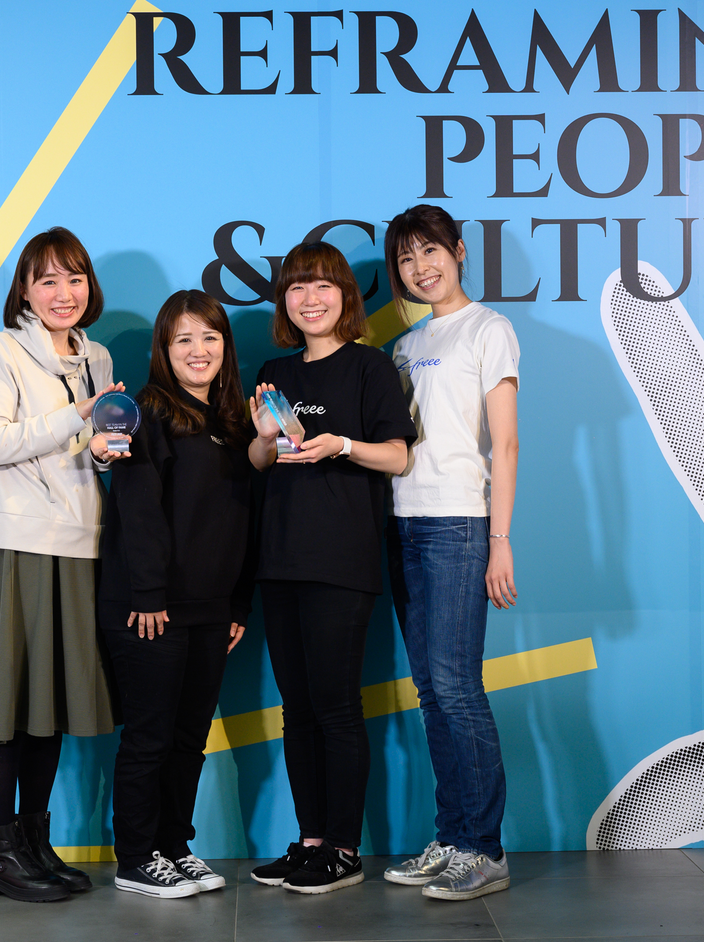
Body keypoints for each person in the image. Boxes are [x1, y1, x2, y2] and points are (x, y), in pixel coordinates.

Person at [247, 242, 417, 894]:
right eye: (297, 287)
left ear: (345, 295)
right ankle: (312, 840)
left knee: (336, 706)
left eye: (322, 286)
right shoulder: (274, 371)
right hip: (279, 557)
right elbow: (258, 462)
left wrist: (341, 445)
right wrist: (265, 438)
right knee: (297, 710)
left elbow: (398, 456)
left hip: (341, 558)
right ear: (284, 301)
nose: (310, 299)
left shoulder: (370, 366)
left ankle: (344, 848)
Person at [0, 226, 128, 903]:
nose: (65, 293)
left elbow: (90, 449)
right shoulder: (2, 348)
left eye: (75, 278)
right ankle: (2, 852)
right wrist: (74, 418)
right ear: (26, 292)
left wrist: (104, 451)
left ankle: (35, 842)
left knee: (50, 702)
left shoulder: (98, 355)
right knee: (9, 701)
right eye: (49, 280)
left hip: (83, 542)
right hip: (21, 544)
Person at [381, 205, 519, 901]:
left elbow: (506, 443)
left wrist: (500, 539)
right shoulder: (404, 346)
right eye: (406, 259)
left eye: (430, 251)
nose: (420, 268)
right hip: (403, 522)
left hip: (460, 522)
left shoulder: (488, 329)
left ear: (459, 251)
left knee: (458, 686)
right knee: (431, 690)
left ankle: (485, 849)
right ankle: (453, 836)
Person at [97, 290, 255, 899]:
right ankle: (137, 857)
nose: (198, 350)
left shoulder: (234, 423)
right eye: (183, 339)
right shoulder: (146, 413)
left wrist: (237, 603)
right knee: (150, 736)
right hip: (149, 607)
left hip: (210, 610)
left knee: (190, 738)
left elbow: (241, 522)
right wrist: (148, 594)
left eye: (209, 337)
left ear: (225, 347)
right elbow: (137, 511)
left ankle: (173, 846)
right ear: (164, 350)